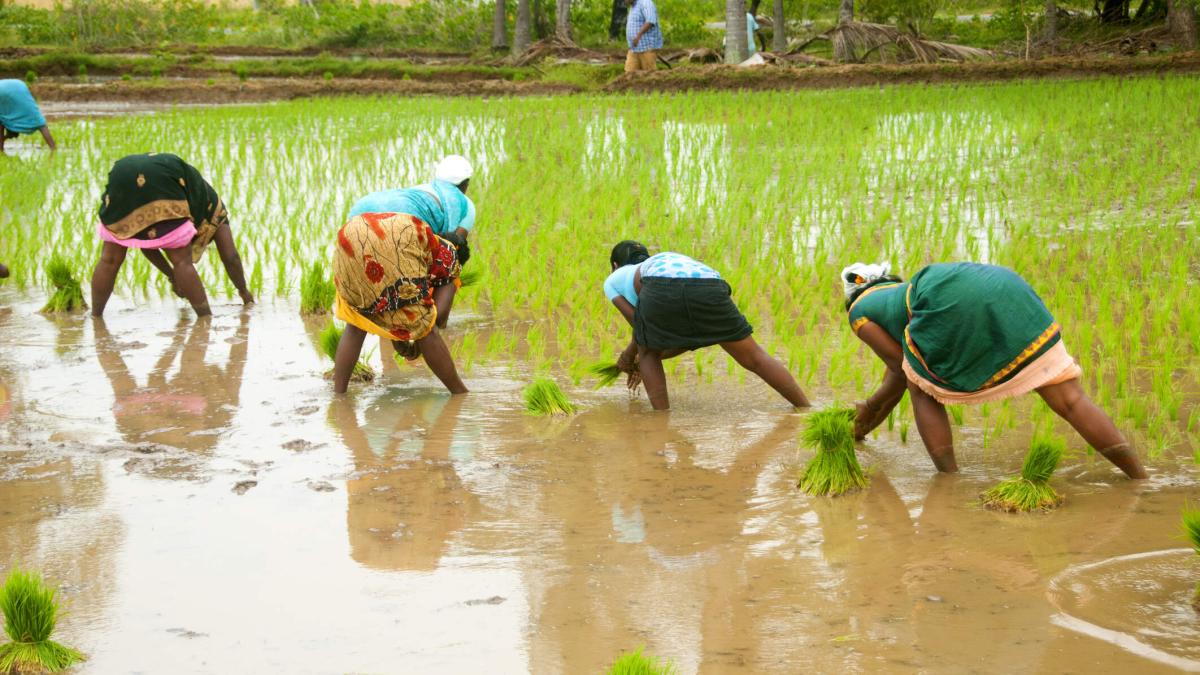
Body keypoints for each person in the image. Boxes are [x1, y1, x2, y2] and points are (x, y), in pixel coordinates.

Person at [843, 261, 1147, 479]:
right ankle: (1138, 476)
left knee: (921, 389)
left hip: (949, 300)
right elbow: (901, 368)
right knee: (1069, 398)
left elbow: (901, 369)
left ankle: (949, 481)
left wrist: (869, 407)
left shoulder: (859, 312)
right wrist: (864, 426)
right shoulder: (899, 293)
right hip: (1006, 285)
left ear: (853, 298)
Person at [604, 240, 810, 411]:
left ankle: (661, 423)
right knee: (754, 357)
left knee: (648, 352)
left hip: (660, 286)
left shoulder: (614, 279)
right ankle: (805, 408)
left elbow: (640, 325)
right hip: (711, 284)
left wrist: (631, 356)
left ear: (615, 265)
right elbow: (682, 337)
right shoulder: (666, 260)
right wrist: (635, 355)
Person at [90, 152, 255, 318]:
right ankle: (205, 320)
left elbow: (146, 242)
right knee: (182, 261)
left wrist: (172, 275)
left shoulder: (197, 195)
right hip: (163, 182)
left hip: (121, 172)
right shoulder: (216, 211)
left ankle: (95, 318)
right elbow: (231, 257)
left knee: (109, 259)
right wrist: (244, 293)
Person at [331, 211, 468, 395]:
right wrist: (414, 345)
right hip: (389, 244)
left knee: (356, 325)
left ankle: (338, 394)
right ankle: (460, 393)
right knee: (428, 333)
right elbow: (437, 321)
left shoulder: (422, 242)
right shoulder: (450, 260)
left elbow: (391, 303)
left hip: (350, 235)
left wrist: (403, 338)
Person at [347, 155, 475, 330]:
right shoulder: (464, 205)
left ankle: (394, 332)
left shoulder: (419, 191)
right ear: (466, 184)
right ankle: (430, 328)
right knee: (451, 264)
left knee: (360, 317)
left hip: (354, 225)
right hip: (398, 232)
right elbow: (452, 249)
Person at [0, 79, 56, 152]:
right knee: (38, 120)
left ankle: (1, 150)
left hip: (8, 88)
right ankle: (53, 147)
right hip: (19, 86)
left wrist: (6, 137)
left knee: (1, 120)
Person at [624, 0, 662, 73]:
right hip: (634, 48)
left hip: (647, 47)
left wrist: (638, 36)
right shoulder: (633, 6)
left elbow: (650, 21)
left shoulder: (646, 3)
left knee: (649, 74)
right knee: (629, 74)